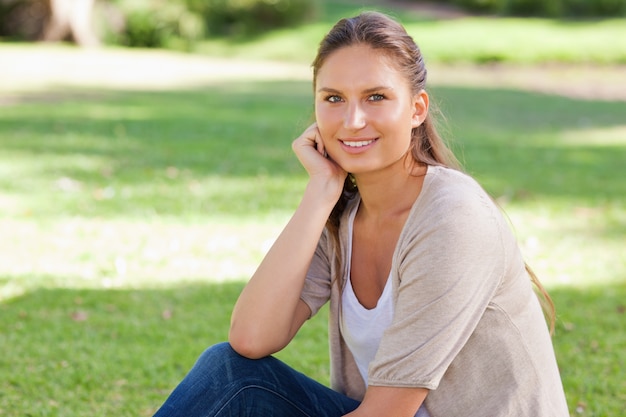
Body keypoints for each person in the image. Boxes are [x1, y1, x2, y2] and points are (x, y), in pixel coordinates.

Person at [152, 11, 569, 417]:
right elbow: (250, 338)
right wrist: (320, 193)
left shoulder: (453, 219)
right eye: (334, 98)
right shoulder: (342, 216)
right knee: (229, 374)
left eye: (376, 97)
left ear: (417, 109)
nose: (352, 121)